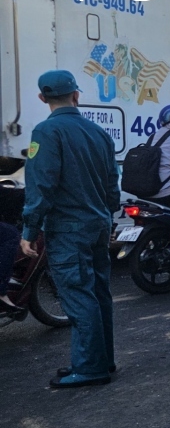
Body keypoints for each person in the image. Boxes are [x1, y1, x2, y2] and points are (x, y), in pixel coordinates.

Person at [21, 70, 121, 388]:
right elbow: (112, 185)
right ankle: (102, 359)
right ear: (76, 95)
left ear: (42, 98)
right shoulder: (99, 133)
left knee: (78, 295)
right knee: (99, 292)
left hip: (67, 228)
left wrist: (28, 231)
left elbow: (41, 186)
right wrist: (107, 213)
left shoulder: (46, 133)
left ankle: (90, 367)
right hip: (99, 224)